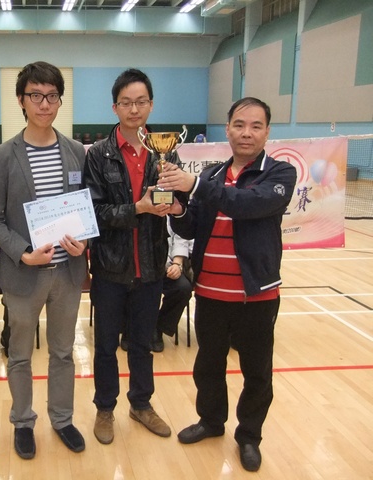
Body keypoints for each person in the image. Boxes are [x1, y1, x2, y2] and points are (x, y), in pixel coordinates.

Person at [158, 97, 297, 472]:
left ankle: (249, 436)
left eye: (255, 126)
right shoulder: (213, 175)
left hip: (257, 295)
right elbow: (192, 227)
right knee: (208, 365)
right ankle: (211, 421)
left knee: (257, 372)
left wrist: (196, 185)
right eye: (239, 124)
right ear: (228, 129)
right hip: (210, 293)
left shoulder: (279, 174)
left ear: (267, 132)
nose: (246, 132)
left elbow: (247, 205)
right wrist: (179, 210)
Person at [0, 61, 87, 460]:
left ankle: (62, 418)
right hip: (24, 275)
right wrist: (23, 253)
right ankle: (23, 422)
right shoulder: (3, 156)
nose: (44, 104)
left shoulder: (75, 151)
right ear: (21, 100)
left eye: (52, 96)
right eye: (36, 96)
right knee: (20, 354)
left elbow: (84, 209)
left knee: (63, 352)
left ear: (60, 100)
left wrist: (83, 242)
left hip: (68, 274)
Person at [83, 68, 174, 445]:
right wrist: (138, 208)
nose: (134, 109)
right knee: (105, 346)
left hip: (150, 267)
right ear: (115, 108)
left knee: (142, 344)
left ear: (150, 105)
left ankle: (141, 404)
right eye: (126, 103)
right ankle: (105, 408)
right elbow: (94, 213)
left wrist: (174, 205)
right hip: (109, 269)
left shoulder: (165, 150)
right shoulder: (98, 155)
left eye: (141, 102)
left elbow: (175, 203)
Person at [120, 224, 193, 353]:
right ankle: (129, 327)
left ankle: (158, 327)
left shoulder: (171, 212)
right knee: (129, 286)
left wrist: (177, 264)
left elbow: (181, 236)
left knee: (183, 288)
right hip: (137, 266)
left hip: (166, 266)